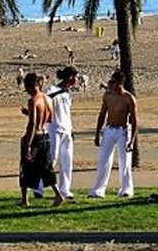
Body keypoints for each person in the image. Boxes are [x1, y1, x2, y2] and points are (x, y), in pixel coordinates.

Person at [88, 71, 138, 198]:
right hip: (109, 129)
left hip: (123, 130)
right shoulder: (108, 96)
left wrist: (132, 141)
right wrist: (97, 133)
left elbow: (135, 120)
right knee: (103, 159)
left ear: (119, 83)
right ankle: (98, 190)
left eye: (113, 82)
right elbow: (102, 114)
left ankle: (126, 189)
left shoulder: (129, 98)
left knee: (124, 161)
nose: (110, 84)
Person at [20, 72, 63, 207]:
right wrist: (31, 113)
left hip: (35, 136)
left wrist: (28, 144)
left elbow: (32, 124)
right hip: (45, 135)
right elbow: (49, 118)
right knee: (46, 167)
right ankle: (58, 195)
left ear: (29, 86)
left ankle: (25, 199)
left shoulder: (33, 100)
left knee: (25, 167)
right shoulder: (47, 99)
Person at [46, 66, 80, 202]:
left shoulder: (68, 93)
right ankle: (39, 186)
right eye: (76, 77)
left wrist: (71, 130)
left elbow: (67, 113)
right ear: (70, 77)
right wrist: (60, 92)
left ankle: (65, 189)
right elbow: (46, 99)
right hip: (54, 129)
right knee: (52, 159)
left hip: (66, 130)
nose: (77, 80)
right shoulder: (53, 90)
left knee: (67, 161)